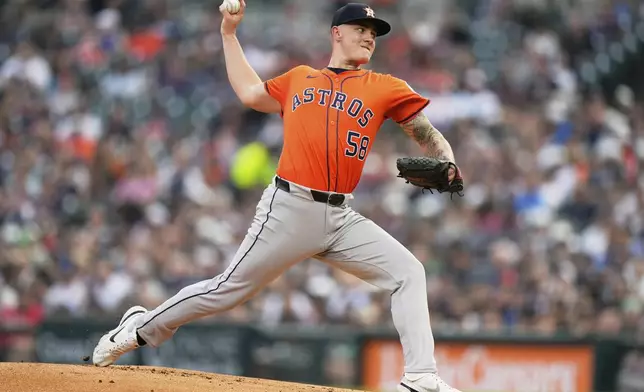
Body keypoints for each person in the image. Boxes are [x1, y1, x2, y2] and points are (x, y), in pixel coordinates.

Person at [92, 2, 462, 391]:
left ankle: (420, 377)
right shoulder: (300, 78)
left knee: (409, 273)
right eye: (360, 28)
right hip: (290, 206)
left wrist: (448, 159)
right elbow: (251, 93)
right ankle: (138, 329)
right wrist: (229, 34)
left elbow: (423, 131)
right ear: (336, 32)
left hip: (341, 217)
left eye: (374, 31)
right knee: (226, 291)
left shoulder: (385, 87)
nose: (369, 36)